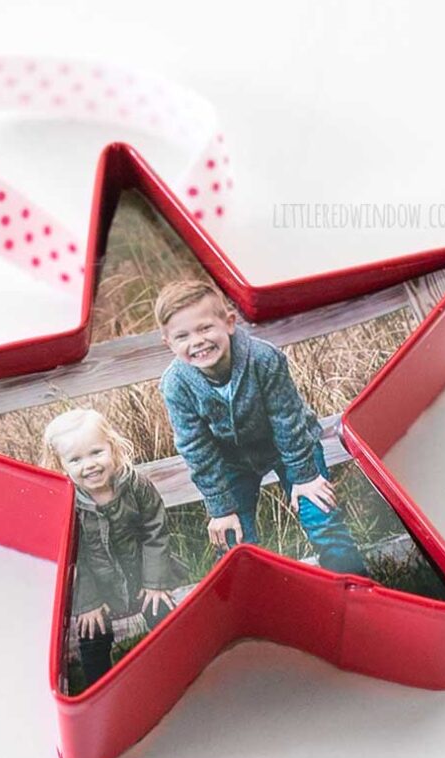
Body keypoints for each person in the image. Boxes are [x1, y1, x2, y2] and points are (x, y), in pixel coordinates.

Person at [156, 279, 369, 576]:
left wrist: (304, 477)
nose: (197, 341)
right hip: (231, 462)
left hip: (292, 448)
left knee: (320, 516)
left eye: (205, 328)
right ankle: (257, 600)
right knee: (233, 541)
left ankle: (355, 588)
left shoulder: (263, 359)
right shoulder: (176, 384)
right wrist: (220, 508)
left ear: (229, 323)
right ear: (169, 344)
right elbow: (195, 447)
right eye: (182, 336)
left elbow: (288, 420)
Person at [43, 408, 179, 687]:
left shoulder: (136, 485)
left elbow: (155, 532)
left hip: (141, 577)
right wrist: (88, 603)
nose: (89, 465)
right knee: (92, 633)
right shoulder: (67, 504)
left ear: (112, 447)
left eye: (96, 452)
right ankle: (100, 689)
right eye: (76, 459)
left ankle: (178, 670)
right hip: (96, 588)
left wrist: (155, 583)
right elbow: (72, 558)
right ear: (61, 464)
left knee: (164, 614)